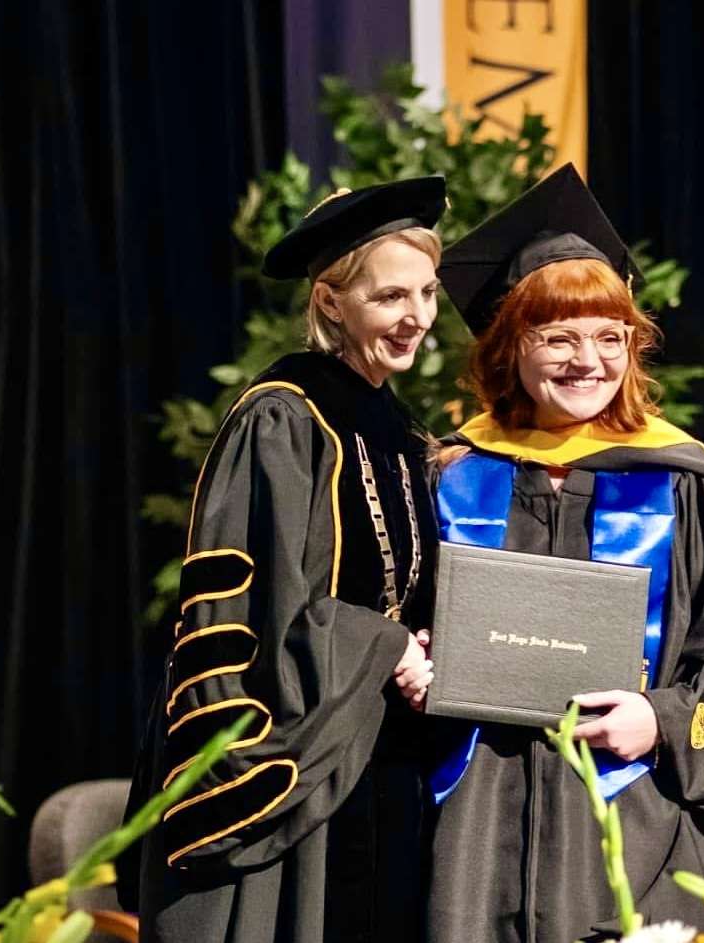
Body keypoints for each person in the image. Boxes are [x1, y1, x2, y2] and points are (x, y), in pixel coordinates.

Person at [427, 164, 704, 942]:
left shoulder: (686, 486)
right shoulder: (450, 476)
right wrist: (411, 656)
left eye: (608, 337)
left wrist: (657, 719)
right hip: (468, 833)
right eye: (555, 336)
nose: (586, 360)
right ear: (508, 347)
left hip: (632, 827)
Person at [122, 177, 446, 943]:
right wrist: (389, 644)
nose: (416, 318)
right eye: (390, 296)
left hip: (382, 761)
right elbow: (252, 613)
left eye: (427, 292)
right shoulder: (283, 414)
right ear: (332, 302)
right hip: (295, 771)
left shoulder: (399, 429)